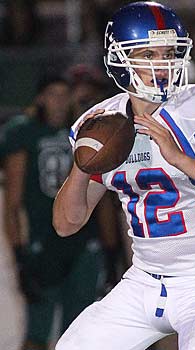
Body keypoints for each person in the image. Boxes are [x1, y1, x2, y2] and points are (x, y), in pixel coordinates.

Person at [53, 2, 195, 350]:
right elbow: (67, 224)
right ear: (119, 61)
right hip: (141, 283)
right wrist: (83, 165)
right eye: (148, 54)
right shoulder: (102, 123)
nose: (163, 65)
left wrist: (182, 160)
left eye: (169, 52)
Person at [1, 69, 120, 350]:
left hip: (83, 240)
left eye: (64, 95)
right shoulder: (23, 132)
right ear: (41, 98)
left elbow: (99, 194)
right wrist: (18, 255)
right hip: (44, 239)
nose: (59, 102)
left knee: (80, 332)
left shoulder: (84, 131)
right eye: (53, 95)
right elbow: (12, 203)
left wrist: (111, 249)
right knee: (37, 332)